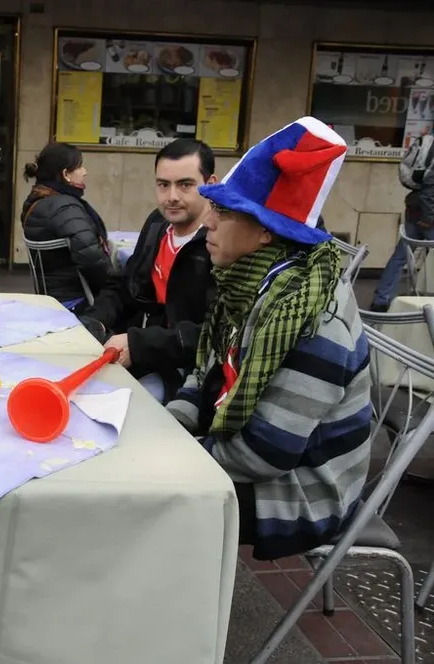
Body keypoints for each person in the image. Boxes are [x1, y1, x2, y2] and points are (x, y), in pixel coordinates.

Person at [165, 117, 371, 562]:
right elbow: (207, 375)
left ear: (266, 231)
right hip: (265, 459)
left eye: (223, 213)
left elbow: (265, 454)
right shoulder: (246, 283)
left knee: (148, 502)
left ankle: (174, 623)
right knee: (140, 479)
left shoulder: (310, 314)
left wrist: (169, 458)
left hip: (305, 490)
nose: (208, 226)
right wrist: (170, 426)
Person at [91, 139, 217, 402]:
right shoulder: (158, 223)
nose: (171, 196)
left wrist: (138, 345)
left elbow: (216, 333)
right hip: (146, 354)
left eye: (185, 185)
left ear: (211, 184)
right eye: (163, 184)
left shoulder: (222, 241)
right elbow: (127, 285)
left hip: (193, 375)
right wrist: (96, 321)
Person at [20, 142, 115, 319]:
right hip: (76, 301)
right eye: (79, 166)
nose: (85, 171)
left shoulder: (38, 201)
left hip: (53, 295)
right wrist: (115, 286)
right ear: (66, 174)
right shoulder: (64, 207)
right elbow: (91, 258)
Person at [370, 141, 434, 311]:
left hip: (415, 212)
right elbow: (429, 189)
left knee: (400, 258)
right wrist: (429, 219)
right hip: (427, 217)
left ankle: (381, 299)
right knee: (402, 257)